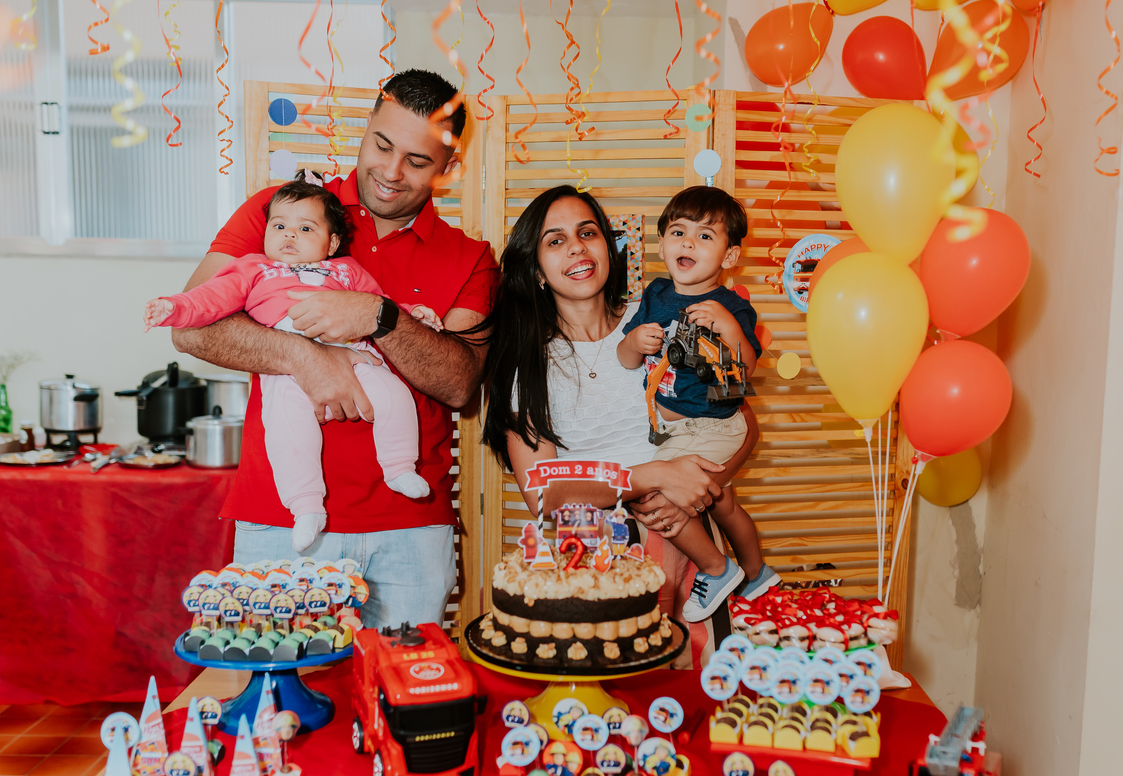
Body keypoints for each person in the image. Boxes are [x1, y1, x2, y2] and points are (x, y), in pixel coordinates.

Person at [171, 69, 498, 629]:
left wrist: (378, 316)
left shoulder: (470, 257)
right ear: (364, 128)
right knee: (281, 710)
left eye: (418, 161)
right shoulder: (284, 214)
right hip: (282, 520)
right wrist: (307, 358)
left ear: (449, 167)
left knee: (404, 706)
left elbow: (461, 385)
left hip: (412, 529)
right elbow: (192, 328)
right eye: (382, 145)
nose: (391, 173)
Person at [477, 185, 759, 650]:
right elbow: (544, 495)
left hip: (692, 549)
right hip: (596, 564)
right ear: (538, 271)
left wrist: (694, 492)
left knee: (692, 698)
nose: (576, 247)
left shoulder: (658, 321)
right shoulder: (527, 363)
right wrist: (652, 477)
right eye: (555, 240)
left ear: (608, 248)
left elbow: (741, 421)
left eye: (587, 232)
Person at [145, 172, 441, 553]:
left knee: (394, 395)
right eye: (280, 225)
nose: (289, 235)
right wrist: (174, 307)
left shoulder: (347, 270)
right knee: (287, 430)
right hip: (285, 368)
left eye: (305, 228)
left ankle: (400, 466)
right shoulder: (253, 267)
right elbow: (211, 298)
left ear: (331, 242)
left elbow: (381, 304)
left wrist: (414, 314)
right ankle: (306, 506)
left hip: (354, 352)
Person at [617, 186, 779, 621]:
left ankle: (716, 567)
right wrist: (633, 342)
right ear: (663, 242)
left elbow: (745, 372)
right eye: (678, 231)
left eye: (705, 236)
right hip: (675, 426)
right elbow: (626, 358)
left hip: (712, 425)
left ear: (729, 258)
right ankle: (757, 572)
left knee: (651, 496)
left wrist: (728, 327)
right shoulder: (654, 294)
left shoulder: (730, 306)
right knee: (723, 502)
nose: (688, 242)